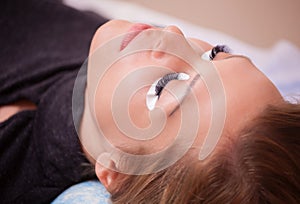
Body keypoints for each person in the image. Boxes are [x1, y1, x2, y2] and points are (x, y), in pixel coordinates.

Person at [0, 1, 299, 204]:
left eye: (165, 85)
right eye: (214, 53)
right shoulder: (114, 46)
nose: (174, 35)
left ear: (116, 172)